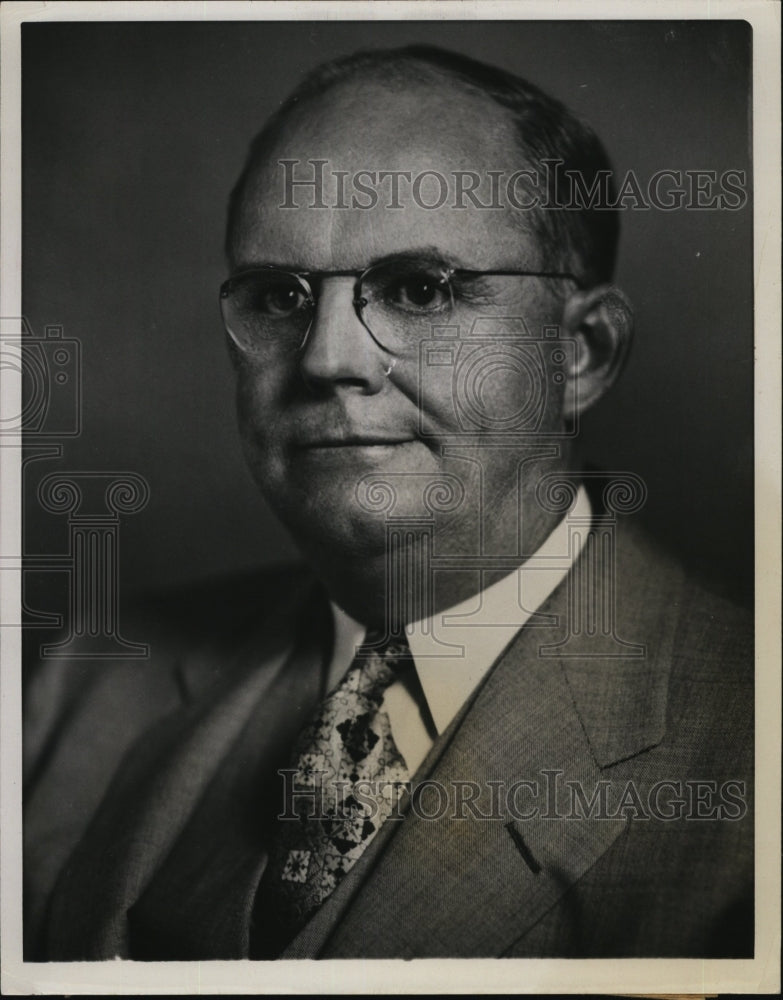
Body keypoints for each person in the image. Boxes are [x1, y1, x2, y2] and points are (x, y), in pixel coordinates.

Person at [23, 45, 752, 961]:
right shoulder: (78, 686)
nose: (328, 356)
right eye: (278, 295)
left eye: (420, 289)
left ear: (582, 354)